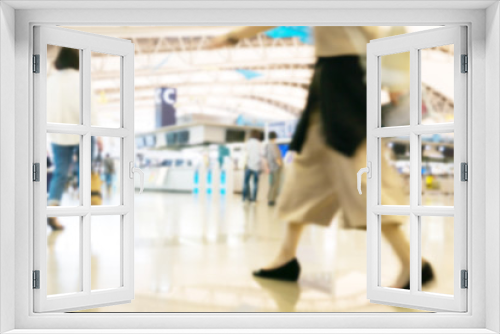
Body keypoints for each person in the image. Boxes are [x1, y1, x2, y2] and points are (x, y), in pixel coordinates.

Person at [211, 26, 434, 289]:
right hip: (330, 80)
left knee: (357, 176)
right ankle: (286, 257)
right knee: (307, 176)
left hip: (344, 82)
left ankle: (412, 262)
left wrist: (232, 36)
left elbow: (369, 26)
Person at [46, 47, 81, 231]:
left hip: (57, 133)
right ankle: (91, 197)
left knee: (60, 173)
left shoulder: (50, 81)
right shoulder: (79, 79)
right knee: (85, 166)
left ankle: (51, 211)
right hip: (80, 131)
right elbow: (89, 106)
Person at [242, 130, 264, 203]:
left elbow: (245, 153)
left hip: (248, 165)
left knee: (246, 183)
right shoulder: (260, 144)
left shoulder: (248, 143)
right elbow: (262, 155)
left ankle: (245, 199)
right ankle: (254, 200)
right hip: (256, 167)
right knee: (255, 184)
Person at [265, 131, 283, 206]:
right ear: (275, 137)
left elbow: (266, 157)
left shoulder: (267, 145)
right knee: (276, 184)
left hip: (271, 167)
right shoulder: (273, 145)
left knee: (272, 183)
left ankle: (270, 198)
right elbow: (276, 157)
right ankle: (272, 200)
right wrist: (281, 165)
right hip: (276, 167)